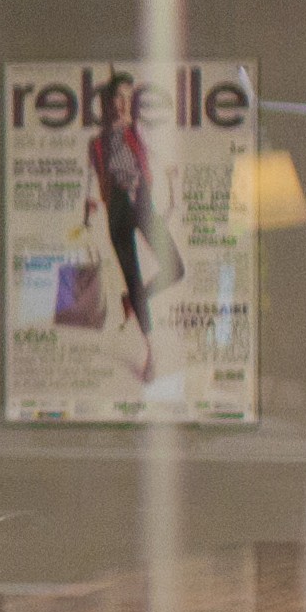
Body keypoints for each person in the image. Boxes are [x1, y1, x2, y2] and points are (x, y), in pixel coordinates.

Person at [87, 71, 177, 384]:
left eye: (128, 98)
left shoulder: (139, 132)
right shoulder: (97, 143)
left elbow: (162, 160)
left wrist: (172, 196)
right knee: (132, 275)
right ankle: (151, 352)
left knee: (175, 268)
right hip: (117, 209)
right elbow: (93, 179)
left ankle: (133, 300)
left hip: (143, 203)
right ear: (109, 103)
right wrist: (90, 207)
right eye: (118, 98)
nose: (123, 104)